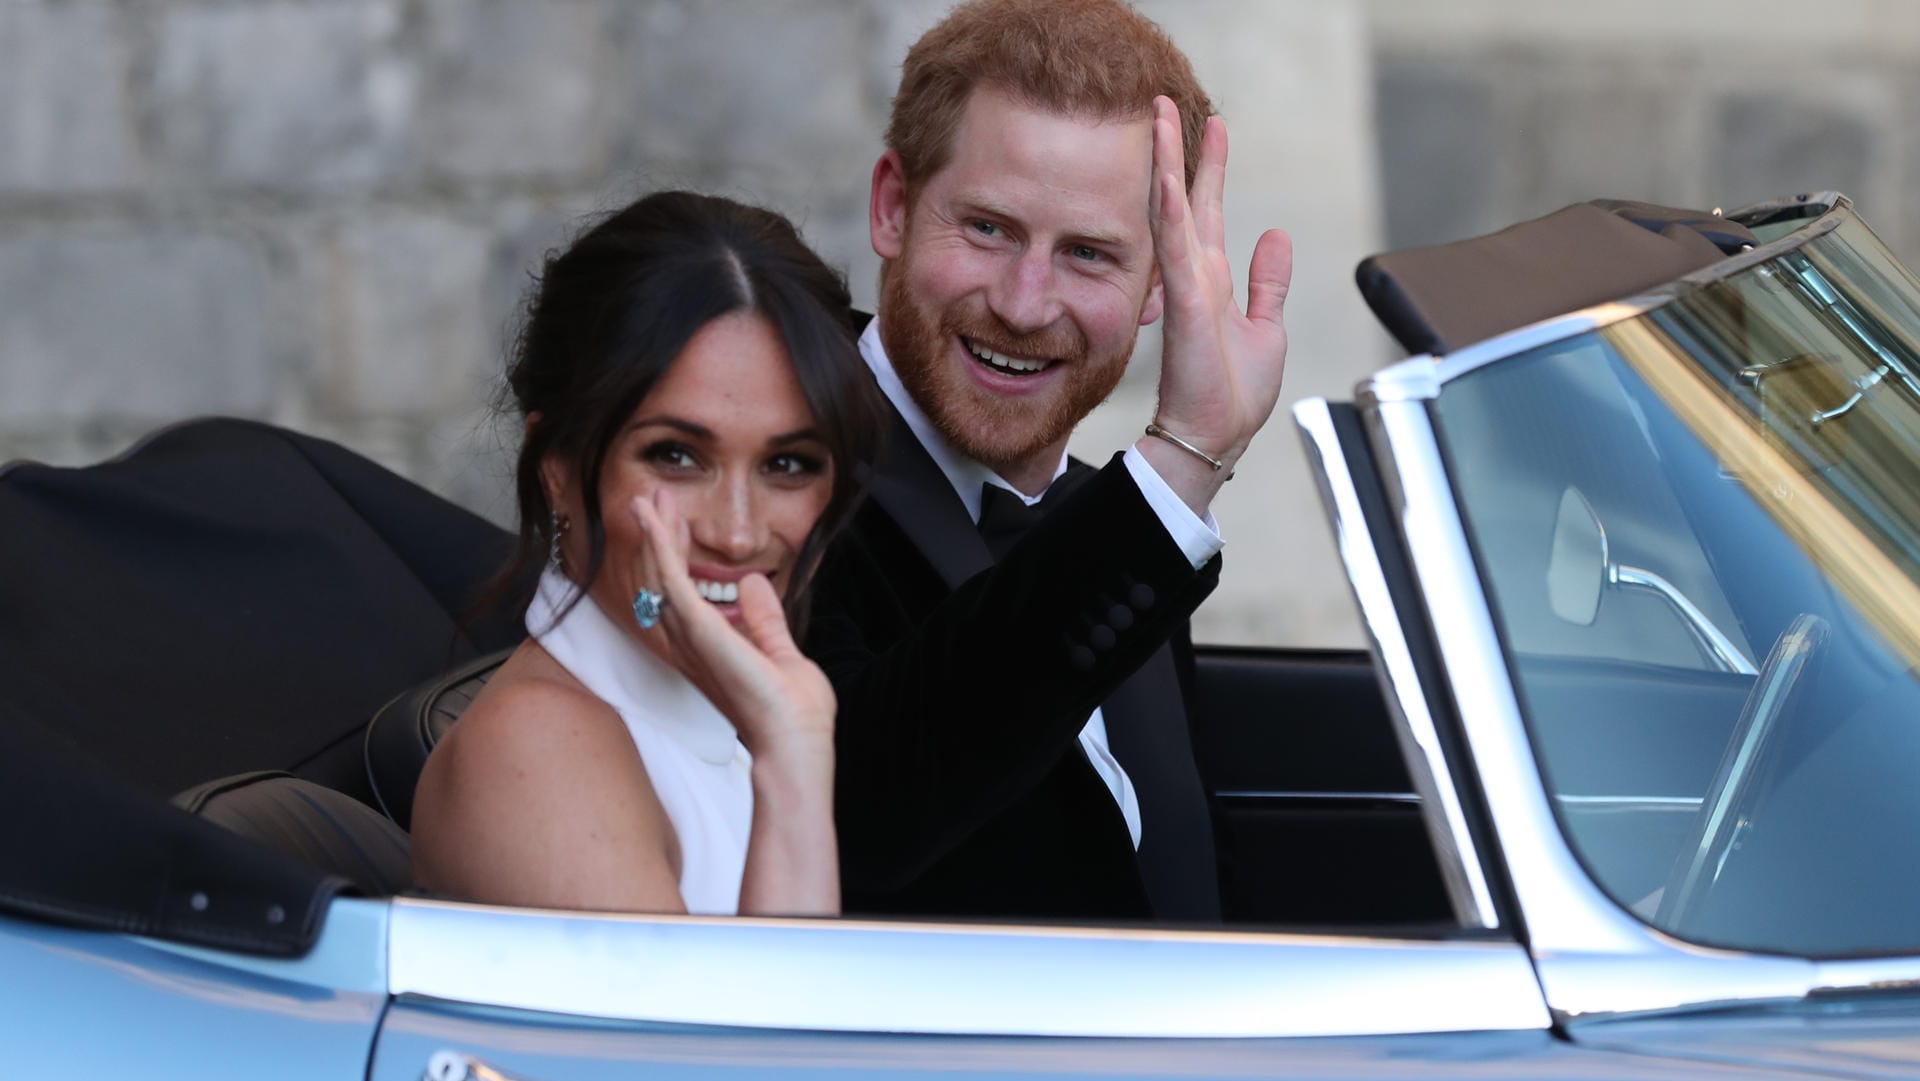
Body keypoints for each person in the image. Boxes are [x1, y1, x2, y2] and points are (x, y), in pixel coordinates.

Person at [806, 0, 1293, 921]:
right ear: (893, 207)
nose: (1026, 305)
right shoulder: (778, 475)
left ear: (1159, 286)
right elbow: (860, 816)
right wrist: (1185, 461)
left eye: (1088, 254)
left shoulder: (1114, 522)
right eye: (988, 228)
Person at [410, 191, 885, 916]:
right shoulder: (536, 749)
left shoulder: (711, 718)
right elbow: (755, 1036)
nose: (736, 531)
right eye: (676, 456)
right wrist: (792, 761)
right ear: (559, 469)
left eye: (787, 465)